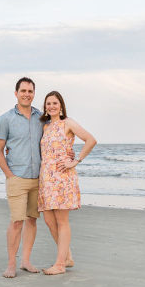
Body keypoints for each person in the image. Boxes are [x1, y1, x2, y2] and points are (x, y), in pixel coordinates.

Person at [38, 91, 97, 275]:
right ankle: (68, 256)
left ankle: (60, 265)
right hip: (46, 179)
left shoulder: (68, 123)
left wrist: (76, 160)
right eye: (48, 103)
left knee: (62, 220)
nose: (52, 106)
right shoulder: (45, 127)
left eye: (55, 103)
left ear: (61, 105)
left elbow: (91, 140)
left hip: (63, 178)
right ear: (45, 107)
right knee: (49, 220)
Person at [0, 77, 44, 278]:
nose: (27, 94)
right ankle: (11, 264)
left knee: (32, 220)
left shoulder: (42, 117)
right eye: (23, 91)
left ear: (34, 94)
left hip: (38, 179)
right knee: (17, 221)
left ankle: (26, 261)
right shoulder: (5, 119)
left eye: (30, 91)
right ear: (16, 93)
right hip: (17, 178)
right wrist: (9, 175)